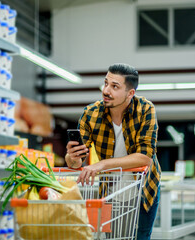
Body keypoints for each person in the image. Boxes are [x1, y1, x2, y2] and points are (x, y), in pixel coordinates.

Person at [65, 63, 161, 239]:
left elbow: (145, 157)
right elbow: (74, 163)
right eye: (106, 83)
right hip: (110, 190)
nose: (106, 90)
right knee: (113, 237)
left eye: (115, 86)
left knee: (141, 237)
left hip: (145, 189)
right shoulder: (91, 113)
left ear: (130, 93)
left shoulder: (145, 109)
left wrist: (102, 164)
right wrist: (72, 157)